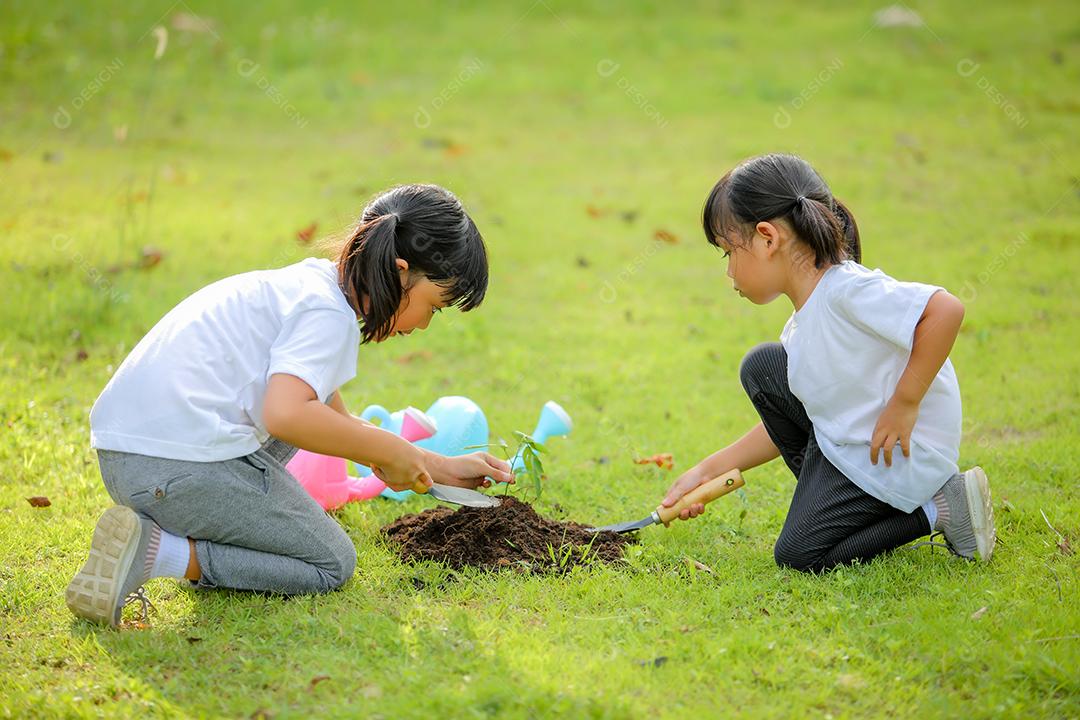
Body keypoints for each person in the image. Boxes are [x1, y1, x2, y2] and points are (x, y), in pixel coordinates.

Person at [66, 184, 513, 626]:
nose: (425, 325)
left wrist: (436, 467)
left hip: (130, 460)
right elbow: (286, 415)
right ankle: (157, 550)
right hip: (173, 471)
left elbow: (335, 422)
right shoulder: (326, 316)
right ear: (399, 272)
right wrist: (388, 453)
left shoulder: (308, 286)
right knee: (331, 563)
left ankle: (200, 524)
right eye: (433, 307)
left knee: (310, 418)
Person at [662, 154, 994, 572]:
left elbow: (945, 310)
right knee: (763, 368)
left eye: (729, 252)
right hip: (856, 443)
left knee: (800, 555)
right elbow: (808, 413)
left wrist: (904, 403)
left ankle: (940, 508)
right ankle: (844, 511)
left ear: (768, 238)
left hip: (903, 451)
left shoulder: (845, 290)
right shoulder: (804, 322)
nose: (729, 272)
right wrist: (707, 470)